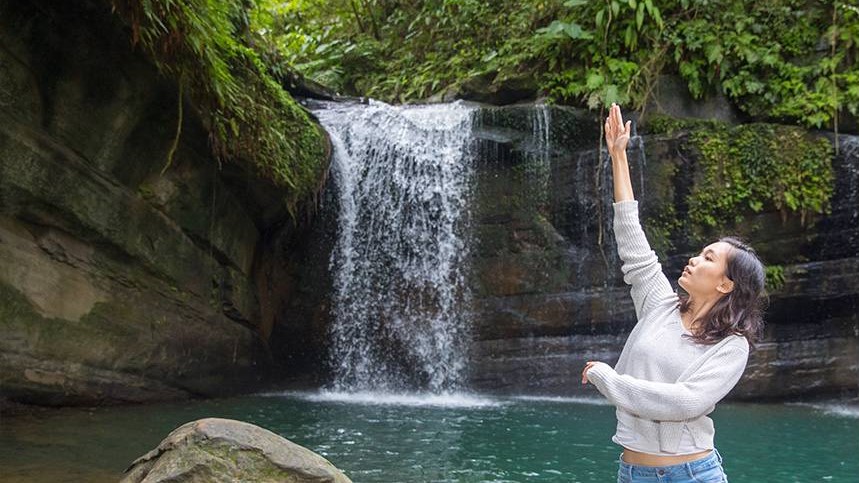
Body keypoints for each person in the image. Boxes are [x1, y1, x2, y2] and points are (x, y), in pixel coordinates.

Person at [581, 103, 766, 482]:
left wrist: (609, 379)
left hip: (691, 475)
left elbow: (684, 402)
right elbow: (631, 239)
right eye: (699, 253)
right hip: (632, 473)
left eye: (708, 258)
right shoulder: (659, 305)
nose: (694, 260)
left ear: (725, 284)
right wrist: (618, 155)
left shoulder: (732, 345)